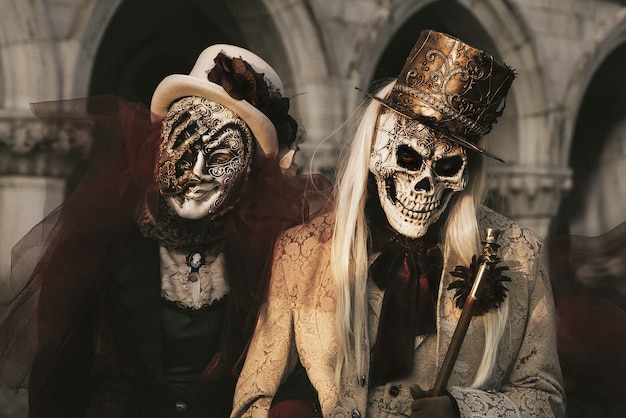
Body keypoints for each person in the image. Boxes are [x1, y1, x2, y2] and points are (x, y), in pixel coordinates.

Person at [232, 30, 566, 417]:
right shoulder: (300, 253)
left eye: (446, 167)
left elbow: (545, 399)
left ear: (465, 173)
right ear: (374, 151)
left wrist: (464, 411)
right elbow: (252, 400)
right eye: (408, 159)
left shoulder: (518, 253)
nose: (426, 185)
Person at [0, 44, 327, 417]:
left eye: (220, 157)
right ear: (160, 147)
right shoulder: (103, 239)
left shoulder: (267, 253)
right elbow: (59, 385)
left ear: (247, 170)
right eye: (185, 146)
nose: (198, 170)